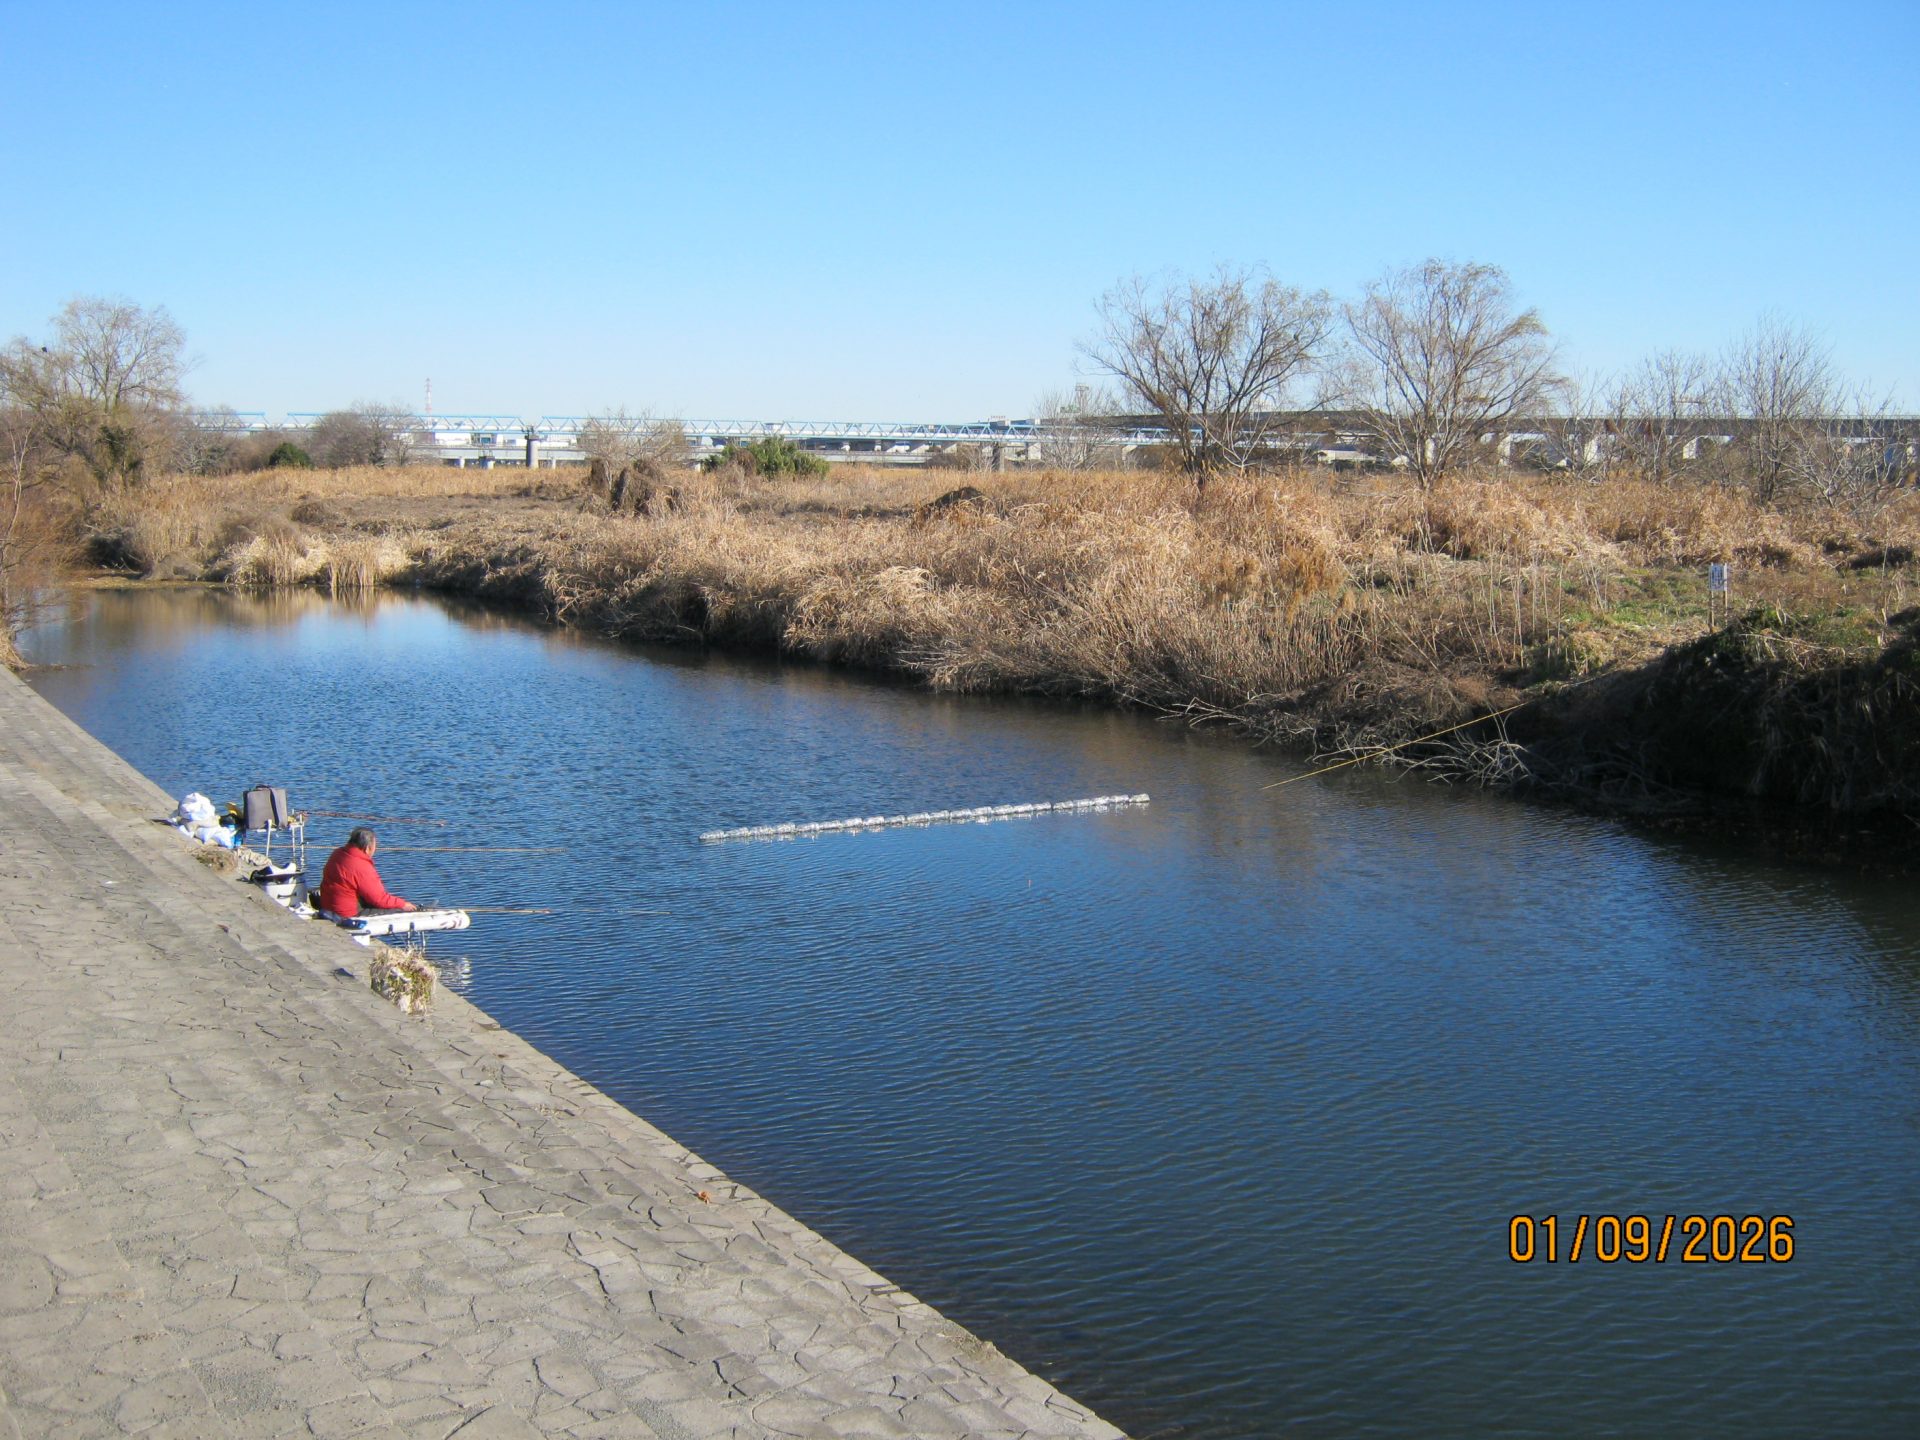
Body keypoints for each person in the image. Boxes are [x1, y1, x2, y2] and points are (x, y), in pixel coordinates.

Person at [318, 828, 418, 918]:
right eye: (374, 847)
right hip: (347, 914)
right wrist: (403, 904)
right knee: (401, 911)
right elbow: (379, 899)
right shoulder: (360, 865)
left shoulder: (338, 853)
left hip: (329, 906)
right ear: (367, 848)